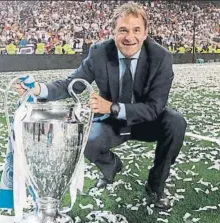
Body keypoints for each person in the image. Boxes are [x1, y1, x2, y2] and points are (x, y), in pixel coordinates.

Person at [15, 2, 187, 210]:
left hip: (146, 119)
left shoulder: (161, 57)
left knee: (176, 122)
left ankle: (156, 185)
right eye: (122, 30)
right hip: (112, 122)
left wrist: (112, 107)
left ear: (145, 33)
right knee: (87, 139)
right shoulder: (99, 52)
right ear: (113, 32)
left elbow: (155, 107)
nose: (129, 37)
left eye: (136, 30)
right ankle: (111, 166)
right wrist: (38, 90)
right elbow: (73, 84)